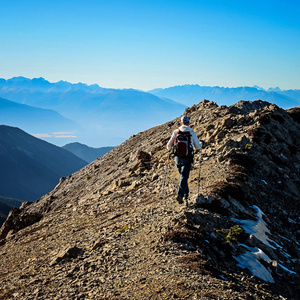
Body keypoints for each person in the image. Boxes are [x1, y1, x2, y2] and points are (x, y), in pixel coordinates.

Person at [167, 115, 202, 204]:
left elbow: (168, 145)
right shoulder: (191, 132)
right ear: (188, 122)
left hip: (177, 158)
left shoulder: (176, 132)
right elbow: (197, 146)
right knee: (184, 177)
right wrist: (201, 144)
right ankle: (180, 194)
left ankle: (186, 194)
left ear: (181, 122)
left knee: (183, 176)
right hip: (188, 157)